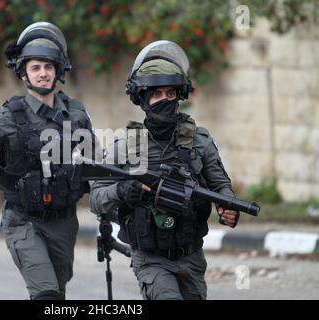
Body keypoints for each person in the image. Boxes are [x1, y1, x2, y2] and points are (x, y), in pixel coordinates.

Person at [0, 22, 96, 300]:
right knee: (46, 295)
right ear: (23, 73)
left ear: (58, 70)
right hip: (23, 221)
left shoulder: (76, 114)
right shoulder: (8, 117)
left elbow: (94, 161)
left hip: (64, 221)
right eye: (35, 67)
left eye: (48, 66)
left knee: (58, 292)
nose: (43, 73)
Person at [89, 40, 239, 300]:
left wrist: (228, 207)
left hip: (191, 258)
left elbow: (220, 186)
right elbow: (95, 199)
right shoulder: (123, 145)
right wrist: (123, 190)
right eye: (157, 95)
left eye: (170, 94)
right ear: (144, 100)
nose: (164, 100)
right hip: (150, 260)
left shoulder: (199, 141)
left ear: (179, 95)